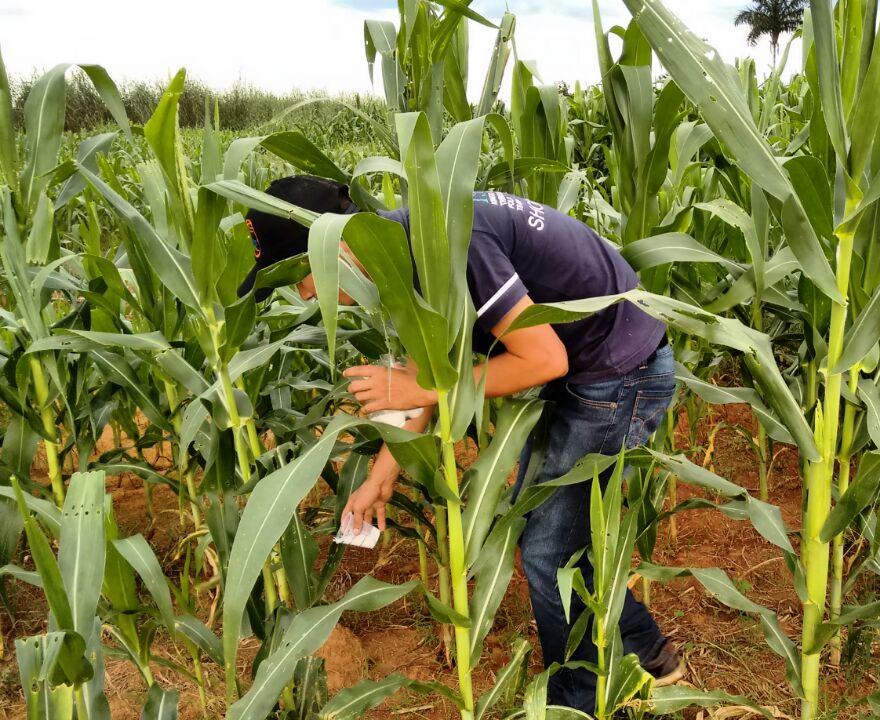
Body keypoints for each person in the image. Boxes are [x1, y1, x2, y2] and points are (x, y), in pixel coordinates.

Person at [237, 175, 685, 711]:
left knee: (549, 551)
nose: (305, 294)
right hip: (587, 364)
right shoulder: (409, 251)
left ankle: (576, 704)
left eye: (303, 276)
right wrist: (382, 478)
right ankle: (653, 657)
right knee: (549, 537)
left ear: (337, 248)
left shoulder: (453, 243)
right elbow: (436, 371)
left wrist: (421, 385)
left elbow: (542, 359)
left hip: (617, 367)